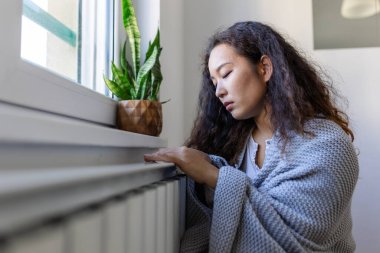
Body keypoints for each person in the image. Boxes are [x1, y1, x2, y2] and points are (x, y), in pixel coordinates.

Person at [144, 21, 359, 253]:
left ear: (264, 68)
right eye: (214, 83)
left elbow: (295, 242)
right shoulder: (229, 147)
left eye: (226, 74)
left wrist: (213, 175)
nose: (218, 91)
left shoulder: (328, 146)